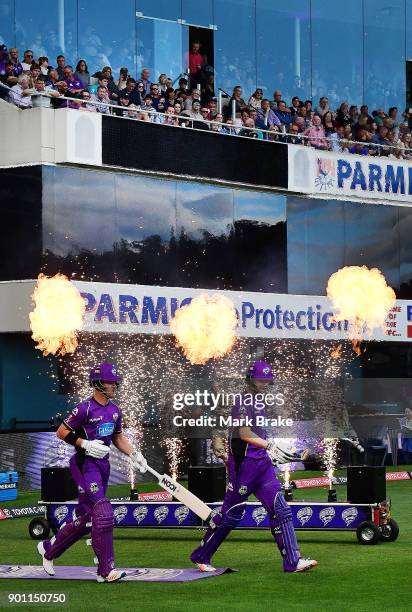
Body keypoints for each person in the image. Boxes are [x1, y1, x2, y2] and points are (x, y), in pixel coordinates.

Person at [190, 361, 317, 574]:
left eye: (268, 380)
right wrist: (270, 445)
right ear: (250, 379)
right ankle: (201, 555)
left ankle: (293, 562)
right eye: (261, 380)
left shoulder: (259, 401)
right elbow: (245, 434)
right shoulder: (243, 401)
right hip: (243, 467)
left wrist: (271, 450)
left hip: (262, 465)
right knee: (231, 515)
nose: (265, 384)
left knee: (281, 510)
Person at [36, 362, 147, 583]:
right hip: (84, 464)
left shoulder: (115, 410)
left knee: (89, 519)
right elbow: (61, 432)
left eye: (115, 382)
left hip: (102, 466)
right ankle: (106, 570)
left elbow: (118, 438)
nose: (114, 385)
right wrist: (84, 443)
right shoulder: (84, 408)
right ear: (97, 383)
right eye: (110, 381)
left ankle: (48, 549)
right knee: (103, 511)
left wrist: (135, 454)